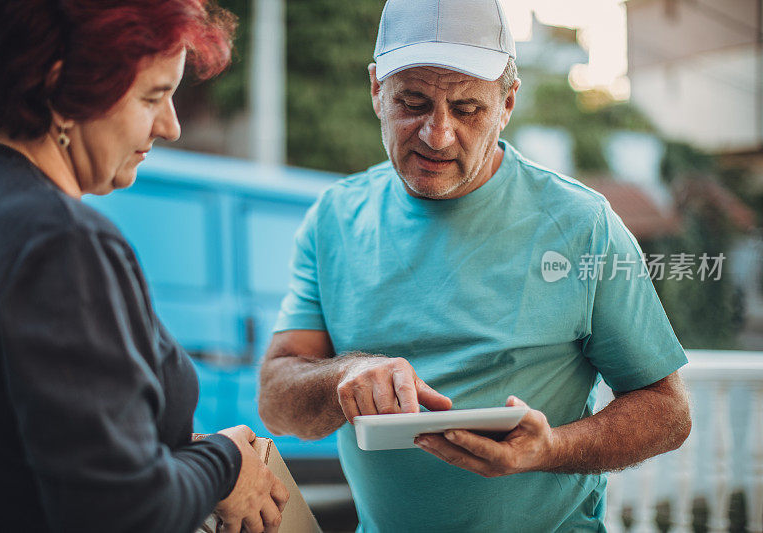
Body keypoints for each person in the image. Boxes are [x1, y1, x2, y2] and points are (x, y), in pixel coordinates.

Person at [257, 0, 691, 531]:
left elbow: (667, 409)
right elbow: (276, 401)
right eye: (412, 102)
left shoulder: (583, 226)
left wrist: (549, 448)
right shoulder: (333, 220)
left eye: (467, 109)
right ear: (376, 90)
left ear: (507, 103)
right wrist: (342, 376)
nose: (437, 134)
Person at [0, 1, 288, 532]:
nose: (172, 126)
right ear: (63, 89)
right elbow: (119, 509)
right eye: (152, 96)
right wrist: (226, 465)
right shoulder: (58, 240)